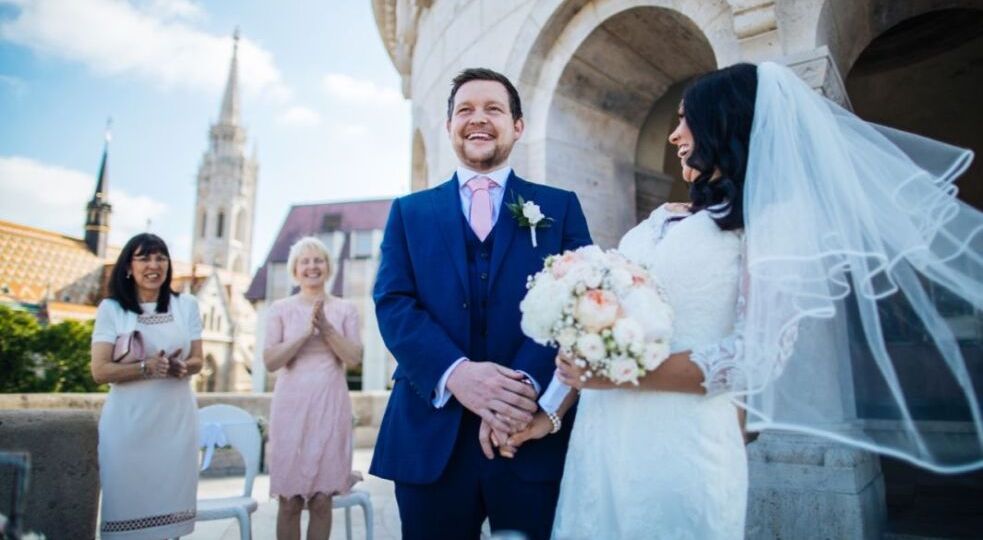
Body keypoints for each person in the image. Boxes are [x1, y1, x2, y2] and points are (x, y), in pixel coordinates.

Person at [507, 61, 983, 539]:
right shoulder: (665, 218)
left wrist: (619, 375)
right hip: (602, 436)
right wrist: (551, 412)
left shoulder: (769, 225)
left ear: (724, 122)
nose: (674, 136)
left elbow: (755, 357)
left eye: (683, 119)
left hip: (684, 438)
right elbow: (599, 337)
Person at [370, 67, 593, 539]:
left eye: (494, 109)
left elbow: (581, 302)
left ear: (518, 126)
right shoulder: (408, 213)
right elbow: (393, 303)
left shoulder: (561, 206)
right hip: (431, 436)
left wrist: (522, 392)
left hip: (529, 438)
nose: (479, 119)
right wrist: (459, 374)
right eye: (465, 110)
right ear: (449, 126)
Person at [90, 233, 203, 539]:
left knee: (170, 523)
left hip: (175, 423)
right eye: (144, 258)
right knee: (127, 517)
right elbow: (100, 371)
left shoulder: (186, 305)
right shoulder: (112, 309)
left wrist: (181, 367)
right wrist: (146, 368)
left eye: (161, 258)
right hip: (129, 426)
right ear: (129, 266)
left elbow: (197, 361)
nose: (154, 265)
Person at [264, 236, 364, 540]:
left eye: (318, 260)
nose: (312, 266)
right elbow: (270, 361)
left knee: (322, 501)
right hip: (290, 409)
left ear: (328, 267)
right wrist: (304, 333)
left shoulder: (346, 309)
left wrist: (326, 328)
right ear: (295, 270)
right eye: (305, 261)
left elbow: (354, 359)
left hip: (329, 406)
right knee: (289, 501)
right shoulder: (279, 308)